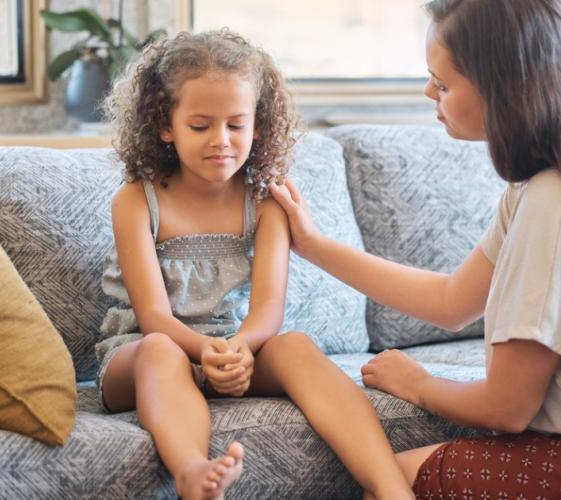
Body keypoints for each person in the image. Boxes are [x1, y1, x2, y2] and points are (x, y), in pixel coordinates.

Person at [269, 0, 561, 497]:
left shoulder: (552, 201)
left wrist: (417, 383)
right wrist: (314, 245)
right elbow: (452, 302)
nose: (429, 92)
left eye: (443, 84)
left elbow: (506, 409)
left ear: (506, 89)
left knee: (393, 479)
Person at [95, 30, 414, 500]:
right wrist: (208, 353)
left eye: (236, 125)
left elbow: (268, 307)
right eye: (201, 126)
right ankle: (192, 474)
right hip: (144, 353)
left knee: (296, 346)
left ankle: (390, 488)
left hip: (233, 348)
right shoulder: (136, 201)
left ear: (259, 124)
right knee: (161, 349)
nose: (221, 141)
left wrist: (239, 349)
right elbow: (154, 317)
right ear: (166, 124)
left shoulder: (264, 204)